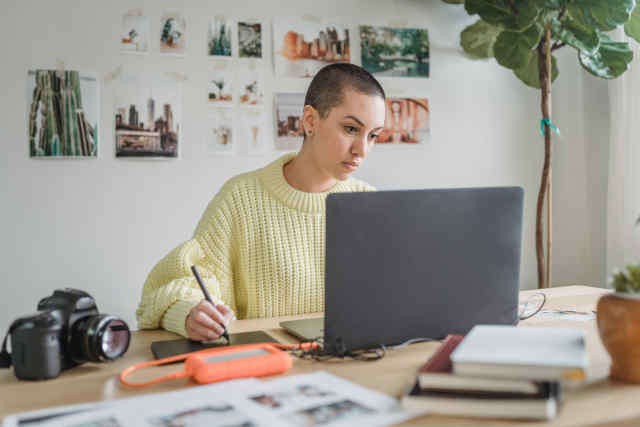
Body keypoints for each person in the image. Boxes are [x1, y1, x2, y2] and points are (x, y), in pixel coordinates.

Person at [136, 63, 386, 341]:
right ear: (310, 121)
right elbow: (172, 286)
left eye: (373, 135)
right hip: (266, 370)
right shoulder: (241, 198)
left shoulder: (369, 203)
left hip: (353, 366)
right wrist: (188, 313)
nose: (362, 150)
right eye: (351, 129)